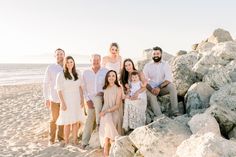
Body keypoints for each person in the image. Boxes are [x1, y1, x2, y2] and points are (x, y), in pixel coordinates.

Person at [55, 56, 86, 146]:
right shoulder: (61, 74)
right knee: (67, 122)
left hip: (76, 99)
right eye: (67, 62)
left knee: (75, 121)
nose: (69, 64)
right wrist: (62, 103)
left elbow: (80, 87)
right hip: (67, 100)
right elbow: (59, 90)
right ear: (65, 63)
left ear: (74, 63)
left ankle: (75, 140)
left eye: (71, 62)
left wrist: (82, 99)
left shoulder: (78, 73)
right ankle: (67, 141)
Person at [80, 54, 108, 149]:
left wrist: (103, 94)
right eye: (94, 60)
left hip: (102, 99)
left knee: (101, 119)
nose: (96, 61)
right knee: (90, 119)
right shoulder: (86, 72)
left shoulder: (105, 71)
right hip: (90, 100)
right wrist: (87, 100)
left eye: (97, 60)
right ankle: (85, 141)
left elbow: (109, 84)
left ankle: (101, 140)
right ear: (90, 60)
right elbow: (83, 88)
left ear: (100, 60)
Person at [143, 46, 180, 117]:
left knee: (172, 87)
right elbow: (144, 81)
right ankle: (160, 116)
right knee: (152, 96)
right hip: (151, 89)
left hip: (162, 88)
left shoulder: (165, 64)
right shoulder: (147, 66)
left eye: (157, 53)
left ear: (161, 55)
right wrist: (151, 89)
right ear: (152, 55)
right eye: (154, 54)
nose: (156, 55)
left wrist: (159, 88)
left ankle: (175, 112)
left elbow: (168, 79)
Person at [43, 48, 65, 145]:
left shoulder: (67, 66)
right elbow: (45, 83)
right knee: (54, 119)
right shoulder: (51, 67)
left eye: (61, 54)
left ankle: (60, 138)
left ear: (64, 55)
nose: (59, 56)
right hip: (54, 98)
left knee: (63, 118)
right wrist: (46, 98)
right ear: (54, 56)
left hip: (65, 98)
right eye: (57, 54)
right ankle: (51, 139)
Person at [99, 70, 123, 157]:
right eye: (109, 76)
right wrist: (104, 111)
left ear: (116, 77)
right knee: (107, 120)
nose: (111, 77)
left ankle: (107, 147)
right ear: (107, 78)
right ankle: (111, 144)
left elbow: (117, 105)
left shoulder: (119, 88)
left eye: (113, 75)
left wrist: (105, 111)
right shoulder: (105, 87)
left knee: (109, 121)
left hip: (115, 111)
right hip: (105, 111)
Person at [120, 59, 147, 132]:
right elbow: (128, 89)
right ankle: (130, 125)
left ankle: (138, 124)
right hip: (132, 93)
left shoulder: (139, 73)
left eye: (129, 64)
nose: (128, 67)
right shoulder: (125, 76)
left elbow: (144, 87)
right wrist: (128, 94)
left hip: (141, 93)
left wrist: (137, 93)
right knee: (127, 100)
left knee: (131, 101)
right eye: (126, 66)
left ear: (132, 64)